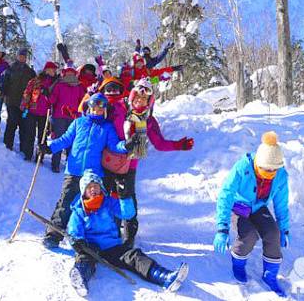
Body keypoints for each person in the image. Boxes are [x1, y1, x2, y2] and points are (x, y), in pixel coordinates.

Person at [67, 169, 189, 296]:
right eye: (89, 187)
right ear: (83, 191)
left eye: (96, 186)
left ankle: (165, 277)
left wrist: (125, 198)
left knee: (134, 256)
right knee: (84, 258)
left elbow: (128, 214)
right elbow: (73, 229)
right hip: (90, 246)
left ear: (101, 188)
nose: (93, 189)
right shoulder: (79, 209)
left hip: (111, 245)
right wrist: (77, 241)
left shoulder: (107, 202)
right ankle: (80, 278)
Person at [104, 78, 194, 248]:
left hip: (129, 165)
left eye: (145, 99)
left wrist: (178, 145)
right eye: (138, 96)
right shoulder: (117, 108)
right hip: (110, 160)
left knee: (128, 199)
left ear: (149, 101)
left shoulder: (149, 120)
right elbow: (97, 115)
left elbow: (159, 143)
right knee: (109, 197)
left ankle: (129, 238)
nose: (140, 100)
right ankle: (110, 232)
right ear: (132, 95)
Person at [39, 93, 136, 249]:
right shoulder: (78, 123)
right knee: (65, 202)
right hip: (73, 171)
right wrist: (49, 147)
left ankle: (97, 237)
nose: (96, 110)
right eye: (93, 106)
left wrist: (125, 146)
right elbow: (65, 139)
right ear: (88, 107)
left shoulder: (107, 127)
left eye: (100, 107)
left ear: (104, 110)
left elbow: (113, 145)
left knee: (95, 206)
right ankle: (53, 235)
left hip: (94, 175)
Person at [213, 131, 290, 296]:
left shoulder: (281, 175)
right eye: (265, 169)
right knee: (249, 234)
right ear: (257, 163)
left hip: (258, 207)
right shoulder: (243, 168)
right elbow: (225, 195)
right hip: (237, 207)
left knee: (273, 233)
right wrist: (222, 228)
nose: (269, 173)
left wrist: (284, 229)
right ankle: (238, 264)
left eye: (273, 169)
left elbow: (281, 205)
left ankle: (270, 275)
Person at [48, 63, 87, 173]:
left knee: (73, 141)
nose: (69, 73)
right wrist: (48, 97)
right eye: (67, 71)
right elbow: (53, 99)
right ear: (64, 73)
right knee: (59, 139)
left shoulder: (79, 86)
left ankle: (70, 164)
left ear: (74, 73)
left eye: (71, 72)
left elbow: (82, 101)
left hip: (73, 117)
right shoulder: (59, 85)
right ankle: (55, 163)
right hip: (59, 116)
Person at [19, 61, 58, 161]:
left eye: (53, 70)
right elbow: (27, 92)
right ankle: (28, 154)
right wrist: (24, 104)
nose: (51, 72)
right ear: (45, 70)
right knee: (30, 133)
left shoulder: (56, 83)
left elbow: (55, 99)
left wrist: (48, 94)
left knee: (43, 136)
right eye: (49, 70)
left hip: (46, 113)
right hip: (33, 110)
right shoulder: (36, 80)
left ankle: (40, 156)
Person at [0, 49, 36, 156]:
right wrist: (3, 95)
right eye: (20, 56)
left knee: (24, 126)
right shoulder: (10, 70)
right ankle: (7, 145)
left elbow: (35, 87)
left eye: (24, 56)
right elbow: (4, 84)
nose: (22, 58)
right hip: (12, 101)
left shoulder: (30, 72)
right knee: (11, 123)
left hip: (25, 103)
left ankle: (24, 149)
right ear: (17, 56)